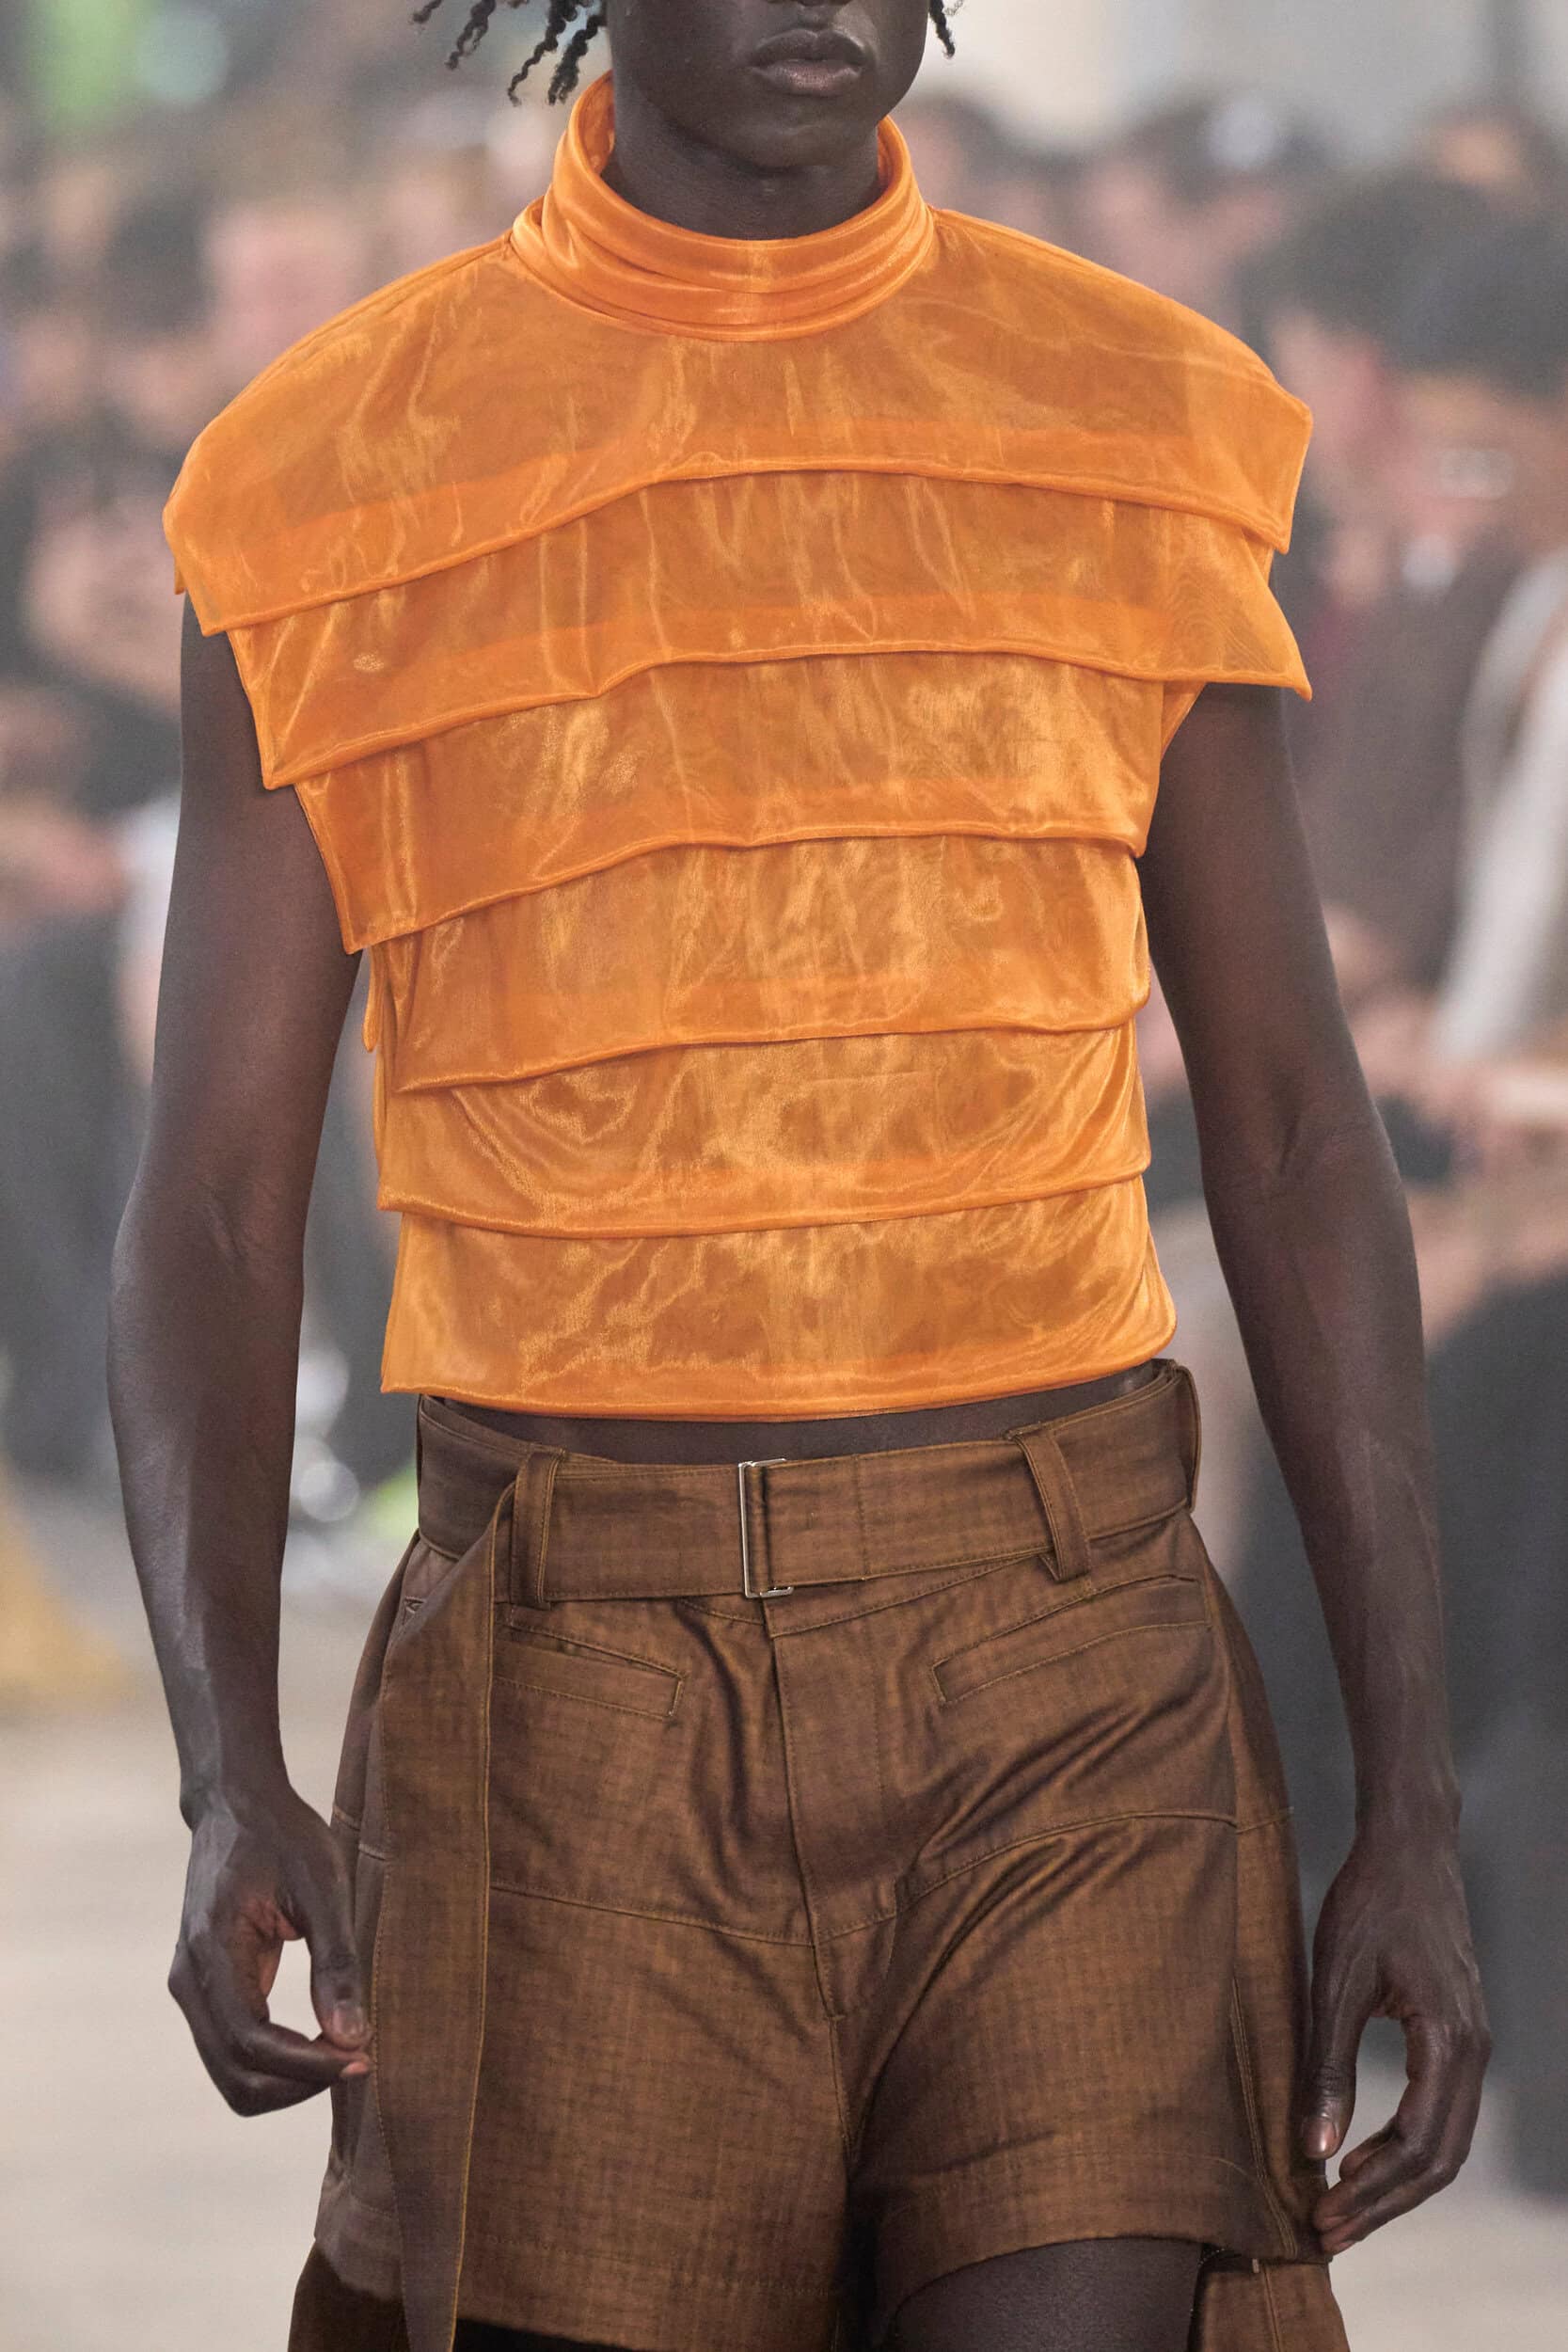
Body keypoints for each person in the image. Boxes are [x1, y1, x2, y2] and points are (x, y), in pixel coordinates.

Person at [111, 8, 1487, 2352]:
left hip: (1071, 1654)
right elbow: (220, 1199)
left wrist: (1413, 1799)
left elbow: (1287, 1123)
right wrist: (224, 1762)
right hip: (580, 1690)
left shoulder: (1132, 418)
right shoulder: (335, 471)